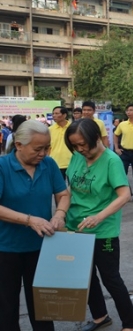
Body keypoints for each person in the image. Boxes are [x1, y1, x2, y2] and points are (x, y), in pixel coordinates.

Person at [65, 119, 133, 331]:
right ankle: (100, 316)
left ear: (96, 138)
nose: (80, 149)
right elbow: (72, 188)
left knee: (111, 278)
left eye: (83, 144)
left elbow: (125, 195)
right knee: (85, 277)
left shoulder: (111, 160)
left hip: (103, 232)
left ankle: (130, 324)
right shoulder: (77, 157)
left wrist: (99, 216)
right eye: (75, 146)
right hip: (76, 227)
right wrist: (61, 213)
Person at [0, 120, 70, 331]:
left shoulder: (48, 165)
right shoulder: (3, 167)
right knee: (6, 307)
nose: (43, 153)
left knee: (43, 306)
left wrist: (59, 214)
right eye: (38, 149)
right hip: (7, 249)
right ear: (19, 145)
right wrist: (30, 220)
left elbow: (63, 194)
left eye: (46, 148)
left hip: (42, 247)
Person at [48, 106, 72, 179]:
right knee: (58, 188)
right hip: (55, 163)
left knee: (73, 187)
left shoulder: (73, 127)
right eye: (53, 114)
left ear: (64, 115)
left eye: (56, 113)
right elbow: (48, 147)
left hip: (72, 163)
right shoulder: (49, 130)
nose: (54, 115)